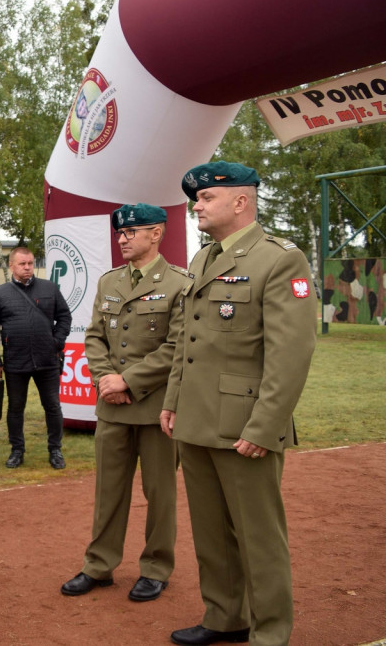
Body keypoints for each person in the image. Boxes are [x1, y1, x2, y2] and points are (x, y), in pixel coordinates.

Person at [160, 161, 317, 646]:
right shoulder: (203, 259)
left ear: (241, 201)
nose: (197, 206)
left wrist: (264, 425)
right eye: (197, 199)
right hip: (196, 419)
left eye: (207, 198)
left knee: (258, 536)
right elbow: (186, 340)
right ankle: (225, 616)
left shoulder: (279, 259)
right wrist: (173, 401)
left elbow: (290, 354)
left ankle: (270, 632)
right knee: (211, 533)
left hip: (244, 424)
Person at [61, 203, 190, 603]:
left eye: (131, 232)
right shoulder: (109, 281)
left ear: (157, 233)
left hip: (156, 410)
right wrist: (105, 381)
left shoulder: (180, 283)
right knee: (109, 492)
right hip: (113, 407)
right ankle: (99, 565)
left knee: (160, 494)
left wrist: (128, 381)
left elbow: (178, 346)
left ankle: (156, 568)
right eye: (120, 233)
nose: (122, 239)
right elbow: (95, 337)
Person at [0, 247, 72, 470]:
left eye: (31, 263)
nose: (27, 268)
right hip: (15, 361)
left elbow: (64, 316)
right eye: (22, 264)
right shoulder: (0, 293)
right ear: (12, 265)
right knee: (15, 408)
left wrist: (57, 342)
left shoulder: (49, 288)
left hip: (47, 360)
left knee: (52, 406)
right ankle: (17, 450)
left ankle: (55, 450)